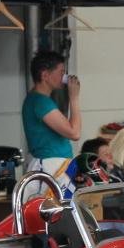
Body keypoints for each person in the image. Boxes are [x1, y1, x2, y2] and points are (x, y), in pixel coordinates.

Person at [22, 50, 82, 181]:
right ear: (45, 75)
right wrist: (74, 98)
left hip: (54, 165)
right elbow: (74, 133)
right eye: (61, 72)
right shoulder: (40, 102)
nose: (64, 76)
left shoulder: (40, 100)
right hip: (50, 166)